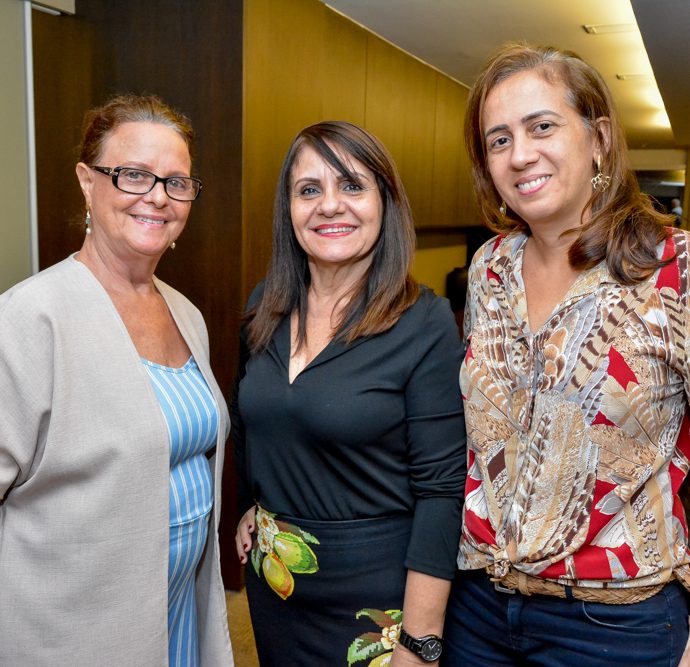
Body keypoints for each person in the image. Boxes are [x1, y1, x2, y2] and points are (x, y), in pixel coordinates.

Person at [441, 42, 690, 667]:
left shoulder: (674, 268)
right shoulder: (489, 268)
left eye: (541, 126)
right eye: (498, 140)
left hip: (617, 624)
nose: (520, 154)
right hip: (478, 609)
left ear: (599, 136)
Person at [0, 94, 233, 667]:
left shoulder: (185, 313)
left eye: (176, 182)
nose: (157, 196)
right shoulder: (30, 318)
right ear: (87, 181)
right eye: (133, 175)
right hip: (75, 633)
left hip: (175, 613)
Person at [233, 120, 466, 666]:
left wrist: (421, 642)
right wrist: (250, 503)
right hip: (278, 587)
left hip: (377, 606)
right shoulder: (266, 304)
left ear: (385, 202)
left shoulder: (424, 322)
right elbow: (253, 424)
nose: (329, 205)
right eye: (309, 189)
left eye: (352, 186)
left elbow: (442, 491)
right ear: (288, 210)